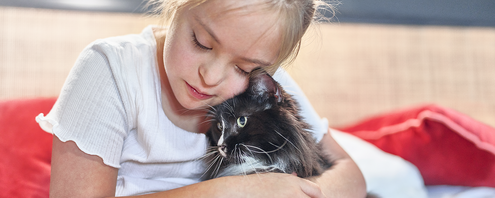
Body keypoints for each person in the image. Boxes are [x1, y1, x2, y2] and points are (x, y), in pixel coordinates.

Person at [36, 0, 367, 197]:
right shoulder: (109, 71)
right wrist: (233, 192)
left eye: (243, 67)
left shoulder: (264, 88)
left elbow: (350, 176)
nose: (210, 77)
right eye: (202, 43)